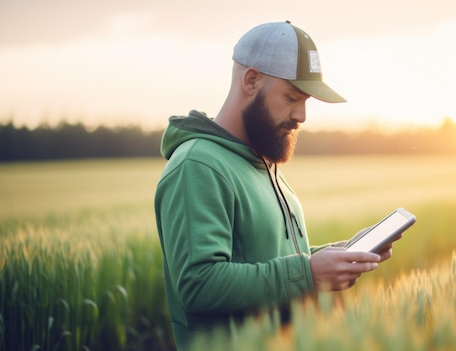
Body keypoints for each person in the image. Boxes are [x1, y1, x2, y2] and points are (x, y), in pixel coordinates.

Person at [154, 21, 395, 349]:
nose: (302, 115)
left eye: (306, 101)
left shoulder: (261, 162)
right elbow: (198, 284)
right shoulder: (198, 165)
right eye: (292, 97)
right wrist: (309, 275)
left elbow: (270, 261)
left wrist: (335, 256)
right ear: (251, 81)